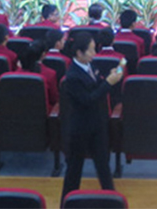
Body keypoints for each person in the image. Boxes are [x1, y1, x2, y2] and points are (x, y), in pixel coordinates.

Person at [61, 28, 124, 198]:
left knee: (103, 168)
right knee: (74, 171)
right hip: (80, 128)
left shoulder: (90, 66)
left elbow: (97, 86)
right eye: (91, 50)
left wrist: (110, 78)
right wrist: (108, 83)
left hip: (98, 125)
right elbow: (88, 99)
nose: (94, 53)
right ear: (79, 53)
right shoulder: (72, 76)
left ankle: (112, 201)